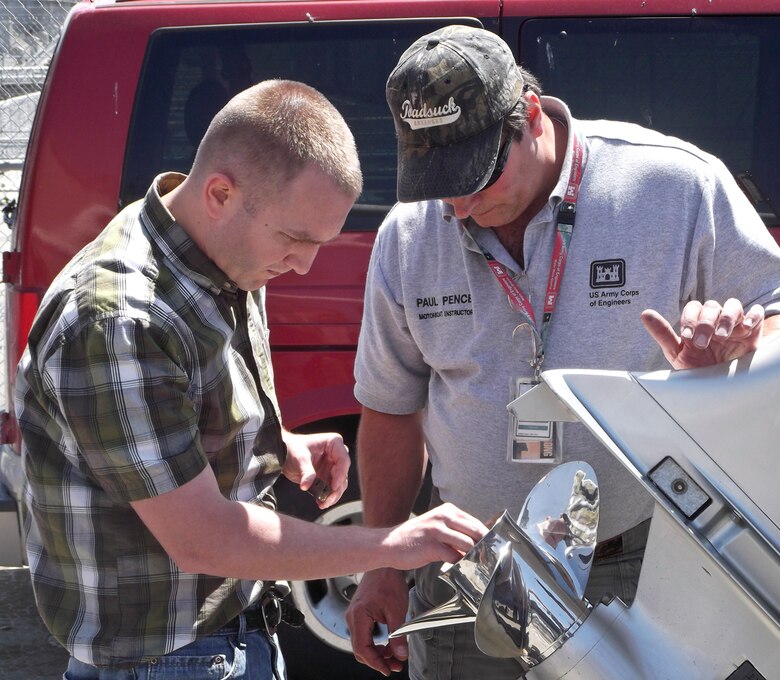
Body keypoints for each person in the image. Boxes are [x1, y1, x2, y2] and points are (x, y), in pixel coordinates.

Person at [344, 25, 780, 679]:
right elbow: (390, 410)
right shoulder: (409, 236)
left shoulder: (676, 188)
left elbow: (771, 316)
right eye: (438, 182)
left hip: (639, 567)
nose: (459, 203)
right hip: (475, 571)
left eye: (475, 176)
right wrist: (381, 560)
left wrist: (727, 359)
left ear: (527, 114)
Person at [14, 79, 488, 680]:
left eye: (320, 242)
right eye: (294, 239)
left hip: (223, 634)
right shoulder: (118, 318)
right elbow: (203, 538)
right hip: (162, 660)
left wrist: (274, 445)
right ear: (219, 193)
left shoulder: (213, 252)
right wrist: (392, 545)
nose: (304, 265)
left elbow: (181, 416)